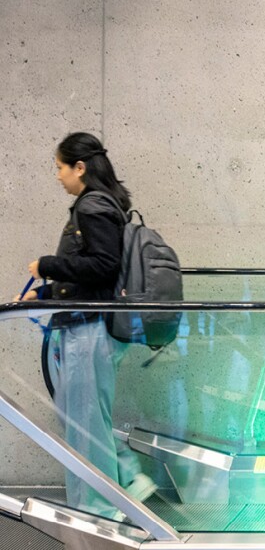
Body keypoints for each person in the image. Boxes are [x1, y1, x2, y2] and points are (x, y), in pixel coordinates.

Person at [15, 132, 157, 518]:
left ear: (80, 167)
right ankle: (119, 484)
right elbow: (93, 274)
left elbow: (103, 266)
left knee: (85, 422)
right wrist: (43, 296)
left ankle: (98, 511)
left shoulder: (92, 206)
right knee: (83, 416)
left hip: (90, 329)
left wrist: (47, 265)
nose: (58, 176)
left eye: (60, 167)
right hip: (90, 326)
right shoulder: (102, 204)